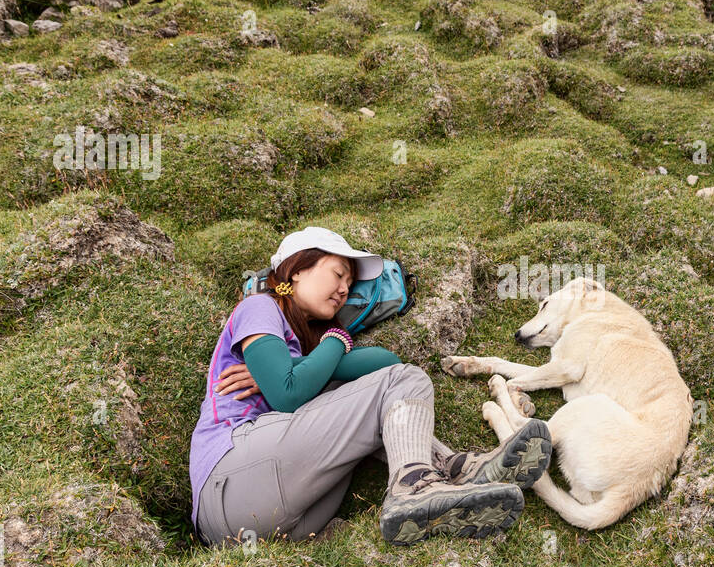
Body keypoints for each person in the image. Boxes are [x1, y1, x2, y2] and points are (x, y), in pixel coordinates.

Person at [188, 226, 553, 546]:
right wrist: (331, 343)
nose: (345, 289)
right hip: (230, 478)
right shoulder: (260, 306)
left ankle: (454, 469)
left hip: (287, 518)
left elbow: (384, 363)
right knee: (403, 382)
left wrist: (300, 362)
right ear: (297, 270)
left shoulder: (309, 346)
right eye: (338, 274)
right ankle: (417, 484)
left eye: (349, 283)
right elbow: (287, 393)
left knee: (376, 397)